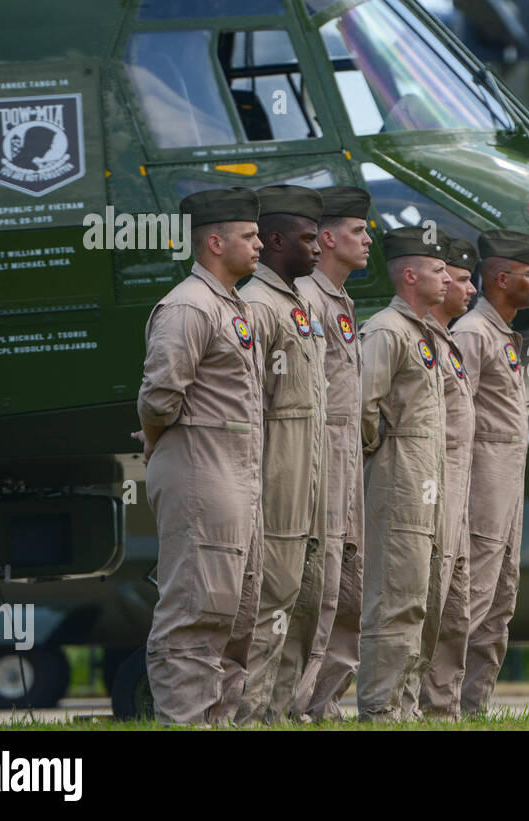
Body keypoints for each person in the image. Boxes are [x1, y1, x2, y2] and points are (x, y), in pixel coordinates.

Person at [135, 187, 264, 726]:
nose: (260, 244)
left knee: (235, 614)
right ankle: (185, 720)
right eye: (250, 236)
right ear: (215, 241)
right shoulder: (189, 305)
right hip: (200, 472)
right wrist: (155, 440)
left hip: (234, 476)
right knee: (195, 610)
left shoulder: (228, 305)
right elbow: (159, 396)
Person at [233, 185, 327, 725]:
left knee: (299, 605)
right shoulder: (259, 306)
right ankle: (250, 715)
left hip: (306, 478)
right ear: (273, 240)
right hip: (276, 480)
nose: (317, 248)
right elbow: (250, 404)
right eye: (307, 238)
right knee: (269, 604)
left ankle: (279, 713)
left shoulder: (299, 305)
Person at [356, 226, 451, 722]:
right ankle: (379, 707)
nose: (447, 278)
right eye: (438, 269)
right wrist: (382, 451)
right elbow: (362, 405)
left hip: (424, 476)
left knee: (418, 598)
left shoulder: (422, 332)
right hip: (400, 475)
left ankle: (404, 706)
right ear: (411, 274)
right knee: (395, 598)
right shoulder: (388, 330)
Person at [452, 229, 529, 716]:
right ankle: (435, 706)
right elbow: (452, 413)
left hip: (505, 488)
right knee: (471, 599)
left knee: (498, 603)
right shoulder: (472, 334)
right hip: (480, 488)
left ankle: (473, 709)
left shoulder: (502, 335)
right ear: (502, 279)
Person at [293, 186, 372, 720]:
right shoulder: (304, 297)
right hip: (314, 450)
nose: (368, 241)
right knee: (311, 582)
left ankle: (323, 702)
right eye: (357, 231)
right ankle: (289, 702)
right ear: (326, 239)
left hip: (345, 453)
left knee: (348, 585)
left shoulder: (341, 302)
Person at [412, 237, 478, 718]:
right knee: (421, 604)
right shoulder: (414, 337)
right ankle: (401, 708)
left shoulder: (450, 342)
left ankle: (441, 710)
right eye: (460, 278)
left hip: (455, 490)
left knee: (454, 611)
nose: (468, 289)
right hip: (425, 488)